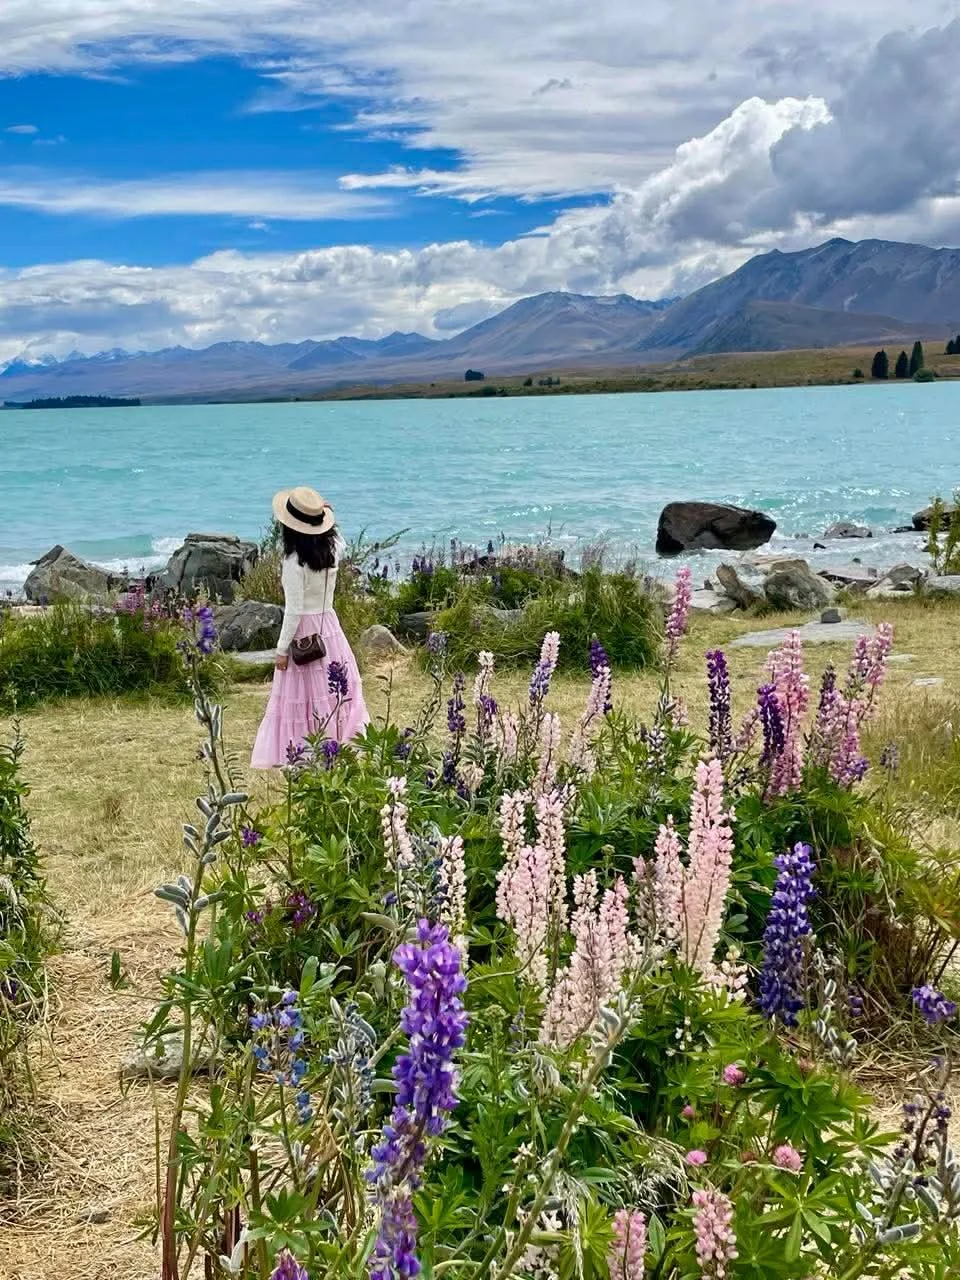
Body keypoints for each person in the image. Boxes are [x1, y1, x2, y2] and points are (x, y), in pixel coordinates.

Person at [251, 486, 369, 769]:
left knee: (301, 694)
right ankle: (337, 741)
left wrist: (281, 650)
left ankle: (304, 750)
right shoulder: (331, 552)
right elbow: (338, 538)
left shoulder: (294, 562)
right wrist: (329, 515)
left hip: (305, 630)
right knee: (333, 689)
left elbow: (293, 611)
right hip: (329, 625)